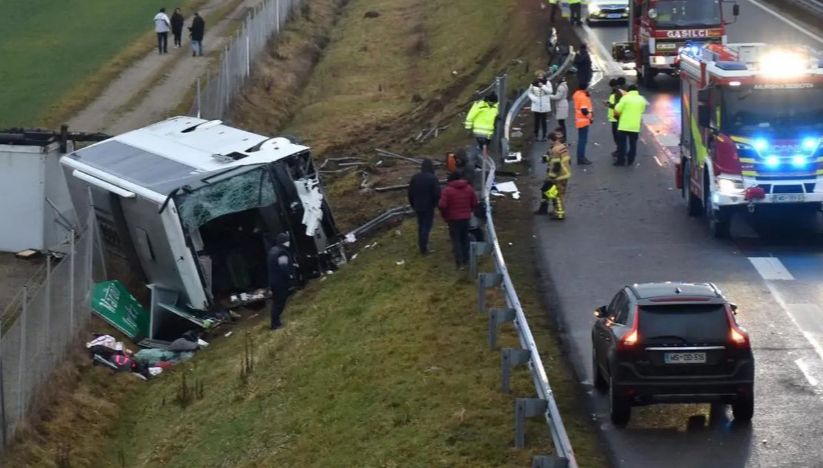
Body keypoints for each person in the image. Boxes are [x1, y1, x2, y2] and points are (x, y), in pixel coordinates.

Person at [439, 173, 478, 269]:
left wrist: (445, 215)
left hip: (453, 219)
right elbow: (475, 202)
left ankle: (459, 263)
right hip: (466, 218)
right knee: (465, 238)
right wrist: (469, 211)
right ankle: (466, 259)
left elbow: (442, 205)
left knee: (456, 240)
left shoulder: (447, 190)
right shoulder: (469, 188)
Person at [535, 129, 572, 220]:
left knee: (556, 194)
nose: (549, 143)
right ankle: (556, 210)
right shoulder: (562, 147)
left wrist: (551, 178)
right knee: (557, 193)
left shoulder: (555, 150)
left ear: (553, 140)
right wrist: (546, 158)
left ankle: (559, 213)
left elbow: (555, 165)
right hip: (565, 173)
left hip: (559, 176)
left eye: (550, 141)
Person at [407, 159, 441, 254]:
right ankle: (424, 247)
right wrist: (435, 204)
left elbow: (410, 193)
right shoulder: (433, 178)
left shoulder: (415, 178)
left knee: (421, 225)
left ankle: (422, 245)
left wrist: (413, 204)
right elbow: (437, 193)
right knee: (426, 226)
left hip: (418, 206)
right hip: (428, 206)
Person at [267, 233, 297, 330]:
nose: (289, 242)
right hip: (280, 282)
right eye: (287, 241)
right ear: (284, 242)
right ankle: (275, 324)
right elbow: (283, 266)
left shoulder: (272, 250)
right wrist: (291, 276)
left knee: (276, 303)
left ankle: (275, 322)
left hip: (273, 281)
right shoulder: (282, 252)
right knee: (279, 303)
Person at [614, 84, 648, 166]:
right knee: (633, 144)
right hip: (635, 126)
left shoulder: (625, 98)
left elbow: (617, 109)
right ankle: (631, 160)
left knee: (622, 144)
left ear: (628, 91)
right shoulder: (641, 99)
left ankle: (621, 161)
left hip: (624, 125)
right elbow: (642, 110)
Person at [464, 93, 499, 157]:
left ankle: (483, 158)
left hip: (489, 132)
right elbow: (470, 115)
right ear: (488, 100)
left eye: (493, 103)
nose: (492, 104)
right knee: (483, 146)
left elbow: (495, 114)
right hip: (479, 131)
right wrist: (468, 128)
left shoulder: (495, 106)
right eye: (491, 103)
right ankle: (482, 160)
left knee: (485, 146)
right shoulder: (479, 105)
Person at [528, 71, 553, 141]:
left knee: (543, 121)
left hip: (544, 104)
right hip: (536, 104)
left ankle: (544, 135)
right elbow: (529, 93)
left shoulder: (547, 83)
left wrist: (542, 86)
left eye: (541, 76)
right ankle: (536, 135)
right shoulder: (533, 83)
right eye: (538, 76)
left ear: (544, 76)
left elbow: (550, 91)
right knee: (536, 121)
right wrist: (534, 99)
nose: (540, 78)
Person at [573, 84, 593, 165]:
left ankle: (580, 158)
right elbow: (584, 110)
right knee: (583, 141)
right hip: (584, 121)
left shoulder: (577, 94)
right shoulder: (583, 97)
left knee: (581, 140)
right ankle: (581, 158)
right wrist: (590, 117)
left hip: (579, 120)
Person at [606, 78, 626, 161]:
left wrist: (609, 105)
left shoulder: (617, 93)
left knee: (618, 137)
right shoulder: (616, 92)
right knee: (617, 137)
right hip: (614, 118)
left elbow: (617, 106)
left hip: (616, 118)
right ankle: (619, 150)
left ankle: (620, 152)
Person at [550, 72, 570, 141]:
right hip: (563, 104)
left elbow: (558, 97)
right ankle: (564, 138)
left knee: (561, 124)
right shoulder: (565, 86)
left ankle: (563, 139)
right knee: (562, 123)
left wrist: (550, 96)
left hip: (561, 106)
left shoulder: (561, 87)